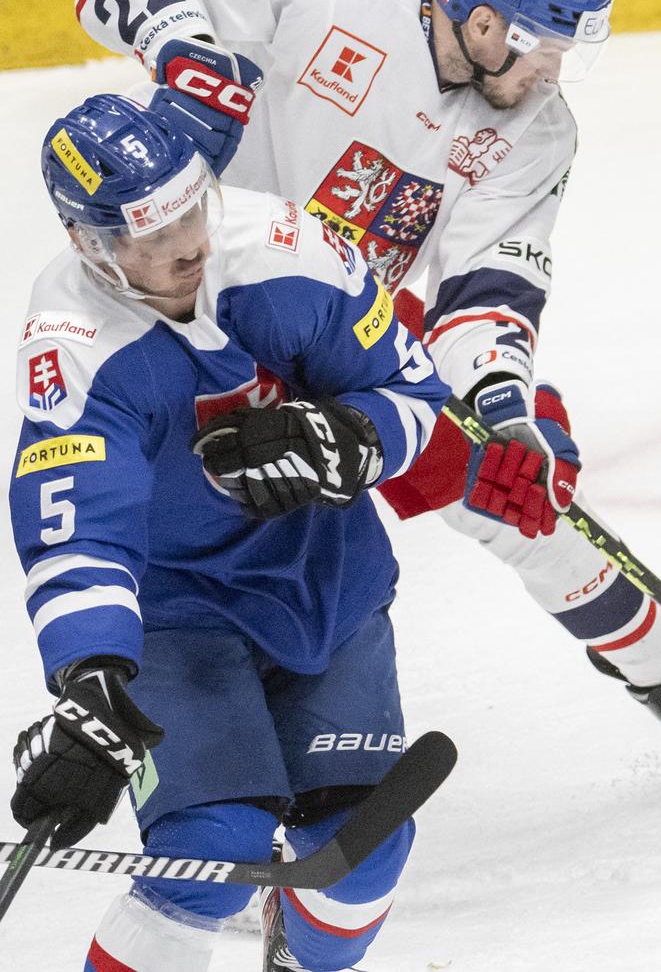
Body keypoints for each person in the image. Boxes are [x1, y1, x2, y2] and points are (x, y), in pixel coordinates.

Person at [73, 0, 661, 773]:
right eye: (543, 45)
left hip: (350, 330)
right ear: (486, 19)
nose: (551, 70)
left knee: (521, 492)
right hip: (192, 314)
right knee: (191, 547)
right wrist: (186, 56)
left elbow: (486, 289)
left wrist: (500, 401)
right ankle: (200, 765)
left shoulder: (537, 130)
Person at [9, 95, 452, 971]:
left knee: (364, 847)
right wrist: (93, 678)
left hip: (323, 582)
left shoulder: (289, 249)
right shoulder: (74, 341)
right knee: (207, 858)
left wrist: (349, 438)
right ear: (88, 243)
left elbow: (415, 395)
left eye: (190, 207)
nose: (187, 244)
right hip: (180, 619)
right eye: (151, 233)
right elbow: (76, 528)